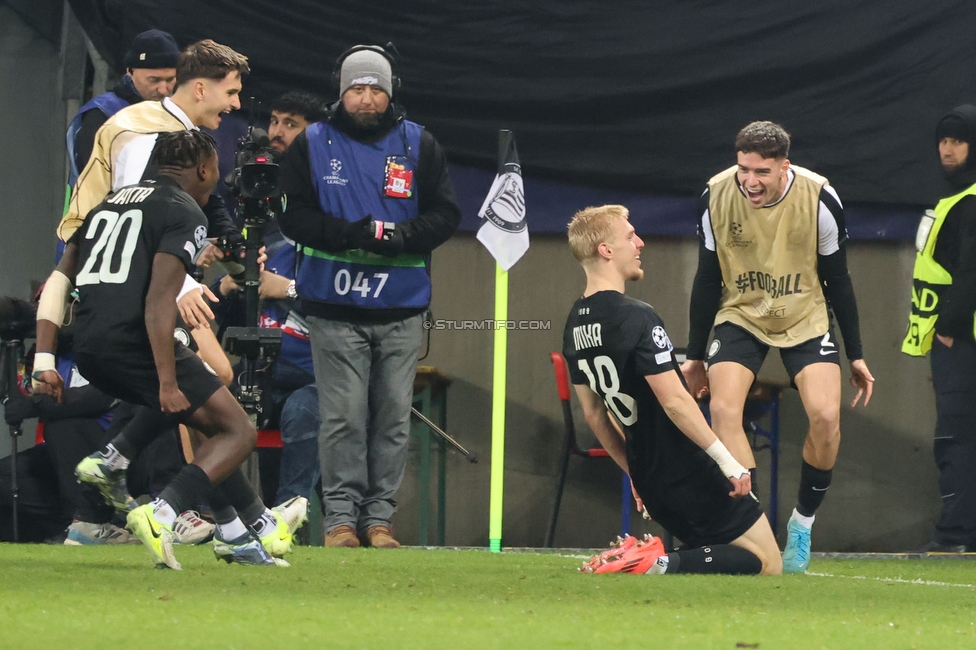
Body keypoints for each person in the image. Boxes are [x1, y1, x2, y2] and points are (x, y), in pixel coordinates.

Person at [34, 131, 291, 568]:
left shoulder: (106, 205)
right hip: (134, 342)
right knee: (238, 432)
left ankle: (238, 530)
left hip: (89, 348)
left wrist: (44, 359)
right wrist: (168, 380)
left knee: (208, 420)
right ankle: (164, 510)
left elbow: (59, 280)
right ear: (204, 170)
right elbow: (158, 303)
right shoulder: (182, 210)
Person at [279, 45, 462, 548]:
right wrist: (350, 234)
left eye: (375, 89)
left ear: (390, 91)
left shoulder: (419, 144)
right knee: (342, 418)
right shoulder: (311, 144)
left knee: (392, 420)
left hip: (401, 308)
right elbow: (292, 218)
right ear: (341, 92)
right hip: (334, 309)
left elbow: (447, 216)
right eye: (356, 89)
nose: (365, 99)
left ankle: (378, 520)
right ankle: (339, 521)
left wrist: (404, 236)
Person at [679, 121, 875, 573]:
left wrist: (857, 352)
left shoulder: (820, 200)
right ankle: (758, 530)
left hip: (804, 316)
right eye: (743, 168)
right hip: (742, 313)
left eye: (762, 171)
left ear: (784, 166)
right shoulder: (716, 196)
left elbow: (838, 279)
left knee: (826, 417)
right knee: (724, 411)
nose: (750, 181)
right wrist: (693, 355)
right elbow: (708, 277)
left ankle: (801, 524)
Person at [565, 205, 781, 576]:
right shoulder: (635, 315)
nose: (640, 243)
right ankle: (654, 561)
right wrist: (727, 462)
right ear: (606, 250)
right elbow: (677, 402)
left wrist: (633, 472)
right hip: (687, 467)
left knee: (711, 561)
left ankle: (655, 565)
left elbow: (594, 415)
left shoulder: (574, 323)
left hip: (650, 478)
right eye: (630, 236)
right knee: (767, 563)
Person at [903, 105, 976, 553]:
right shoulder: (955, 198)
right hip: (959, 340)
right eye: (943, 140)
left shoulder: (968, 201)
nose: (947, 150)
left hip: (962, 342)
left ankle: (954, 535)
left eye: (957, 141)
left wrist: (947, 328)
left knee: (956, 438)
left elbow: (971, 272)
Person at [66, 29, 181, 188]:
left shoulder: (175, 114)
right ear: (130, 72)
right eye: (154, 80)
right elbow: (94, 181)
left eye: (170, 79)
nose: (163, 89)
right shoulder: (103, 112)